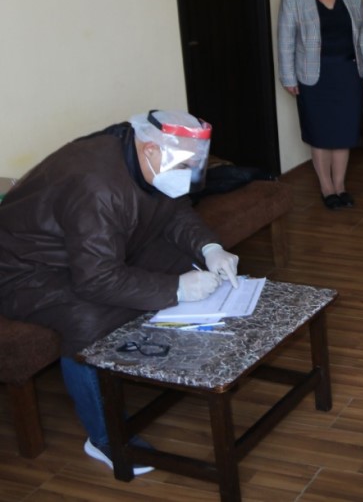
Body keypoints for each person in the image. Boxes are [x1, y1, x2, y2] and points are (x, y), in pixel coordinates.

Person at [0, 110, 239, 475]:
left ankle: (186, 363)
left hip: (100, 248)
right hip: (28, 270)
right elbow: (96, 280)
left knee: (190, 264)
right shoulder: (96, 186)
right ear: (150, 150)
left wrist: (210, 249)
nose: (188, 173)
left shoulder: (147, 159)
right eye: (184, 165)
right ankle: (106, 437)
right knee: (89, 319)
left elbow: (175, 211)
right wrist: (176, 289)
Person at [278, 0, 363, 210]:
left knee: (344, 132)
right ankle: (326, 188)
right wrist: (288, 77)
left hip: (348, 72)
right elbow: (285, 40)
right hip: (313, 76)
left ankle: (340, 186)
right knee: (320, 133)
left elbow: (362, 35)